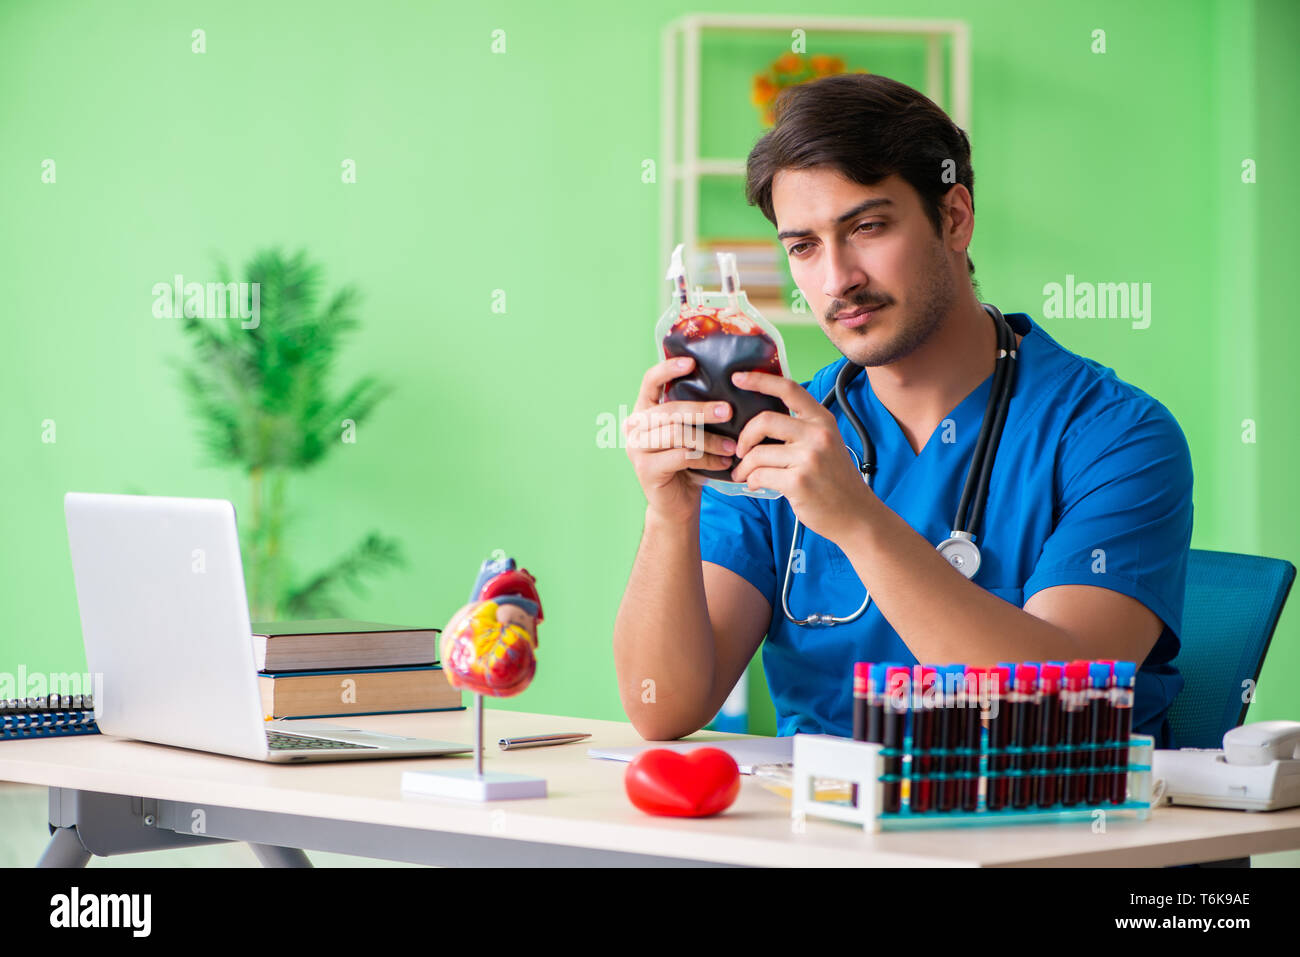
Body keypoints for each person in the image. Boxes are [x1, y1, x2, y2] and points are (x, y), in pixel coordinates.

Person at [613, 73, 1193, 749]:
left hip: (1043, 834)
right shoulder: (777, 436)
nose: (837, 279)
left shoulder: (1115, 437)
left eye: (867, 227)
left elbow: (1060, 705)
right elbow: (664, 708)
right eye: (803, 246)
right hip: (824, 833)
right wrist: (669, 512)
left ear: (954, 216)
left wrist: (855, 518)